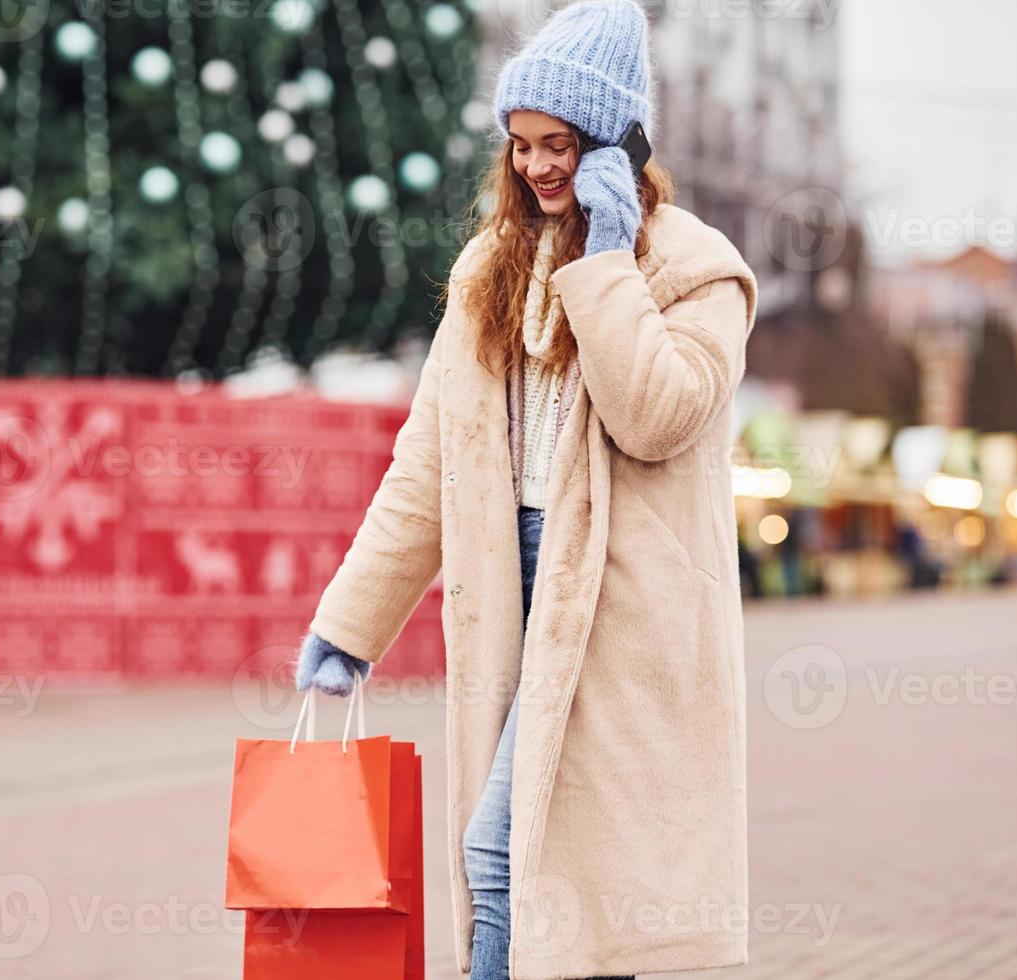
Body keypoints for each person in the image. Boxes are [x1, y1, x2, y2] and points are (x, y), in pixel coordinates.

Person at [294, 1, 759, 976]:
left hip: (620, 614)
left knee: (510, 855)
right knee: (566, 893)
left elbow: (656, 412)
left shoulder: (694, 271)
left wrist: (605, 263)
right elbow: (431, 465)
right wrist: (350, 623)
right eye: (520, 146)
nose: (538, 166)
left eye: (560, 144)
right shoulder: (488, 273)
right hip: (513, 581)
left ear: (614, 144)